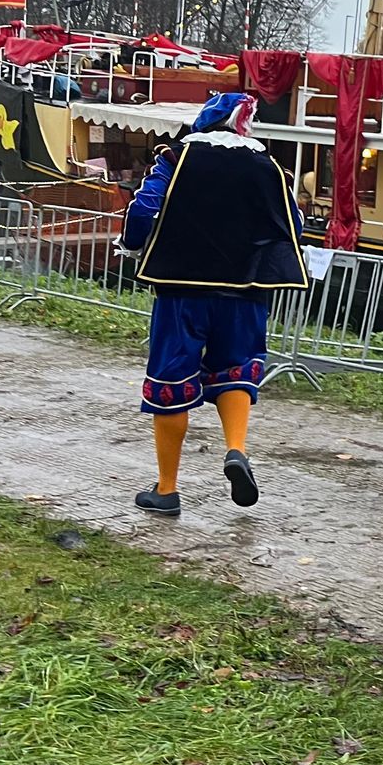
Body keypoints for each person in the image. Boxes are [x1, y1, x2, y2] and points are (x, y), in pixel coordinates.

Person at [122, 91, 307, 516]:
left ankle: (167, 490)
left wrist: (132, 246)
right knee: (236, 369)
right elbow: (292, 225)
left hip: (182, 288)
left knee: (171, 381)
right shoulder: (268, 167)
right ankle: (236, 449)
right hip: (245, 291)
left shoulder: (177, 157)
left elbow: (144, 210)